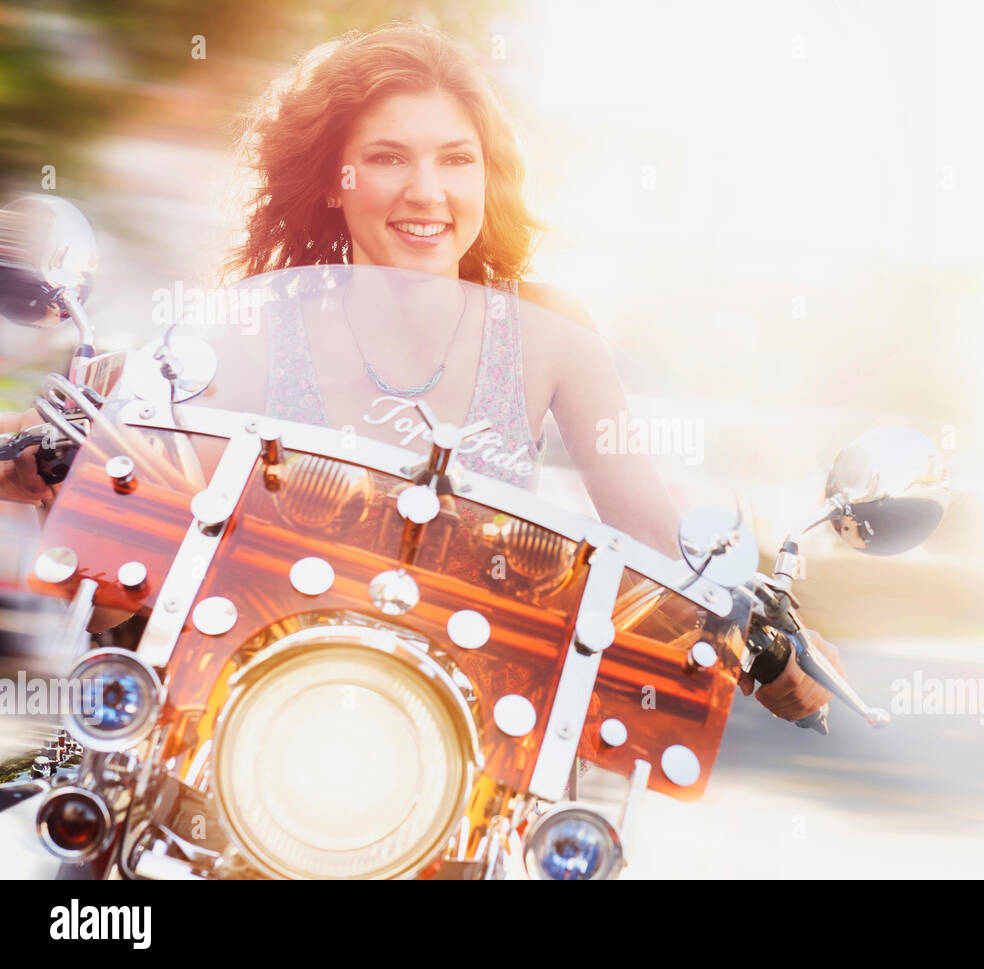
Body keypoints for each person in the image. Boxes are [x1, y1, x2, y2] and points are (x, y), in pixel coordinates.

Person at [0, 22, 843, 724]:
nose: (427, 192)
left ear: (489, 175)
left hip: (461, 722)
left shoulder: (550, 337)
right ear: (335, 179)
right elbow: (142, 523)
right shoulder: (252, 326)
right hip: (254, 702)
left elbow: (659, 543)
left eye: (456, 159)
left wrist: (755, 628)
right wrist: (71, 463)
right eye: (389, 157)